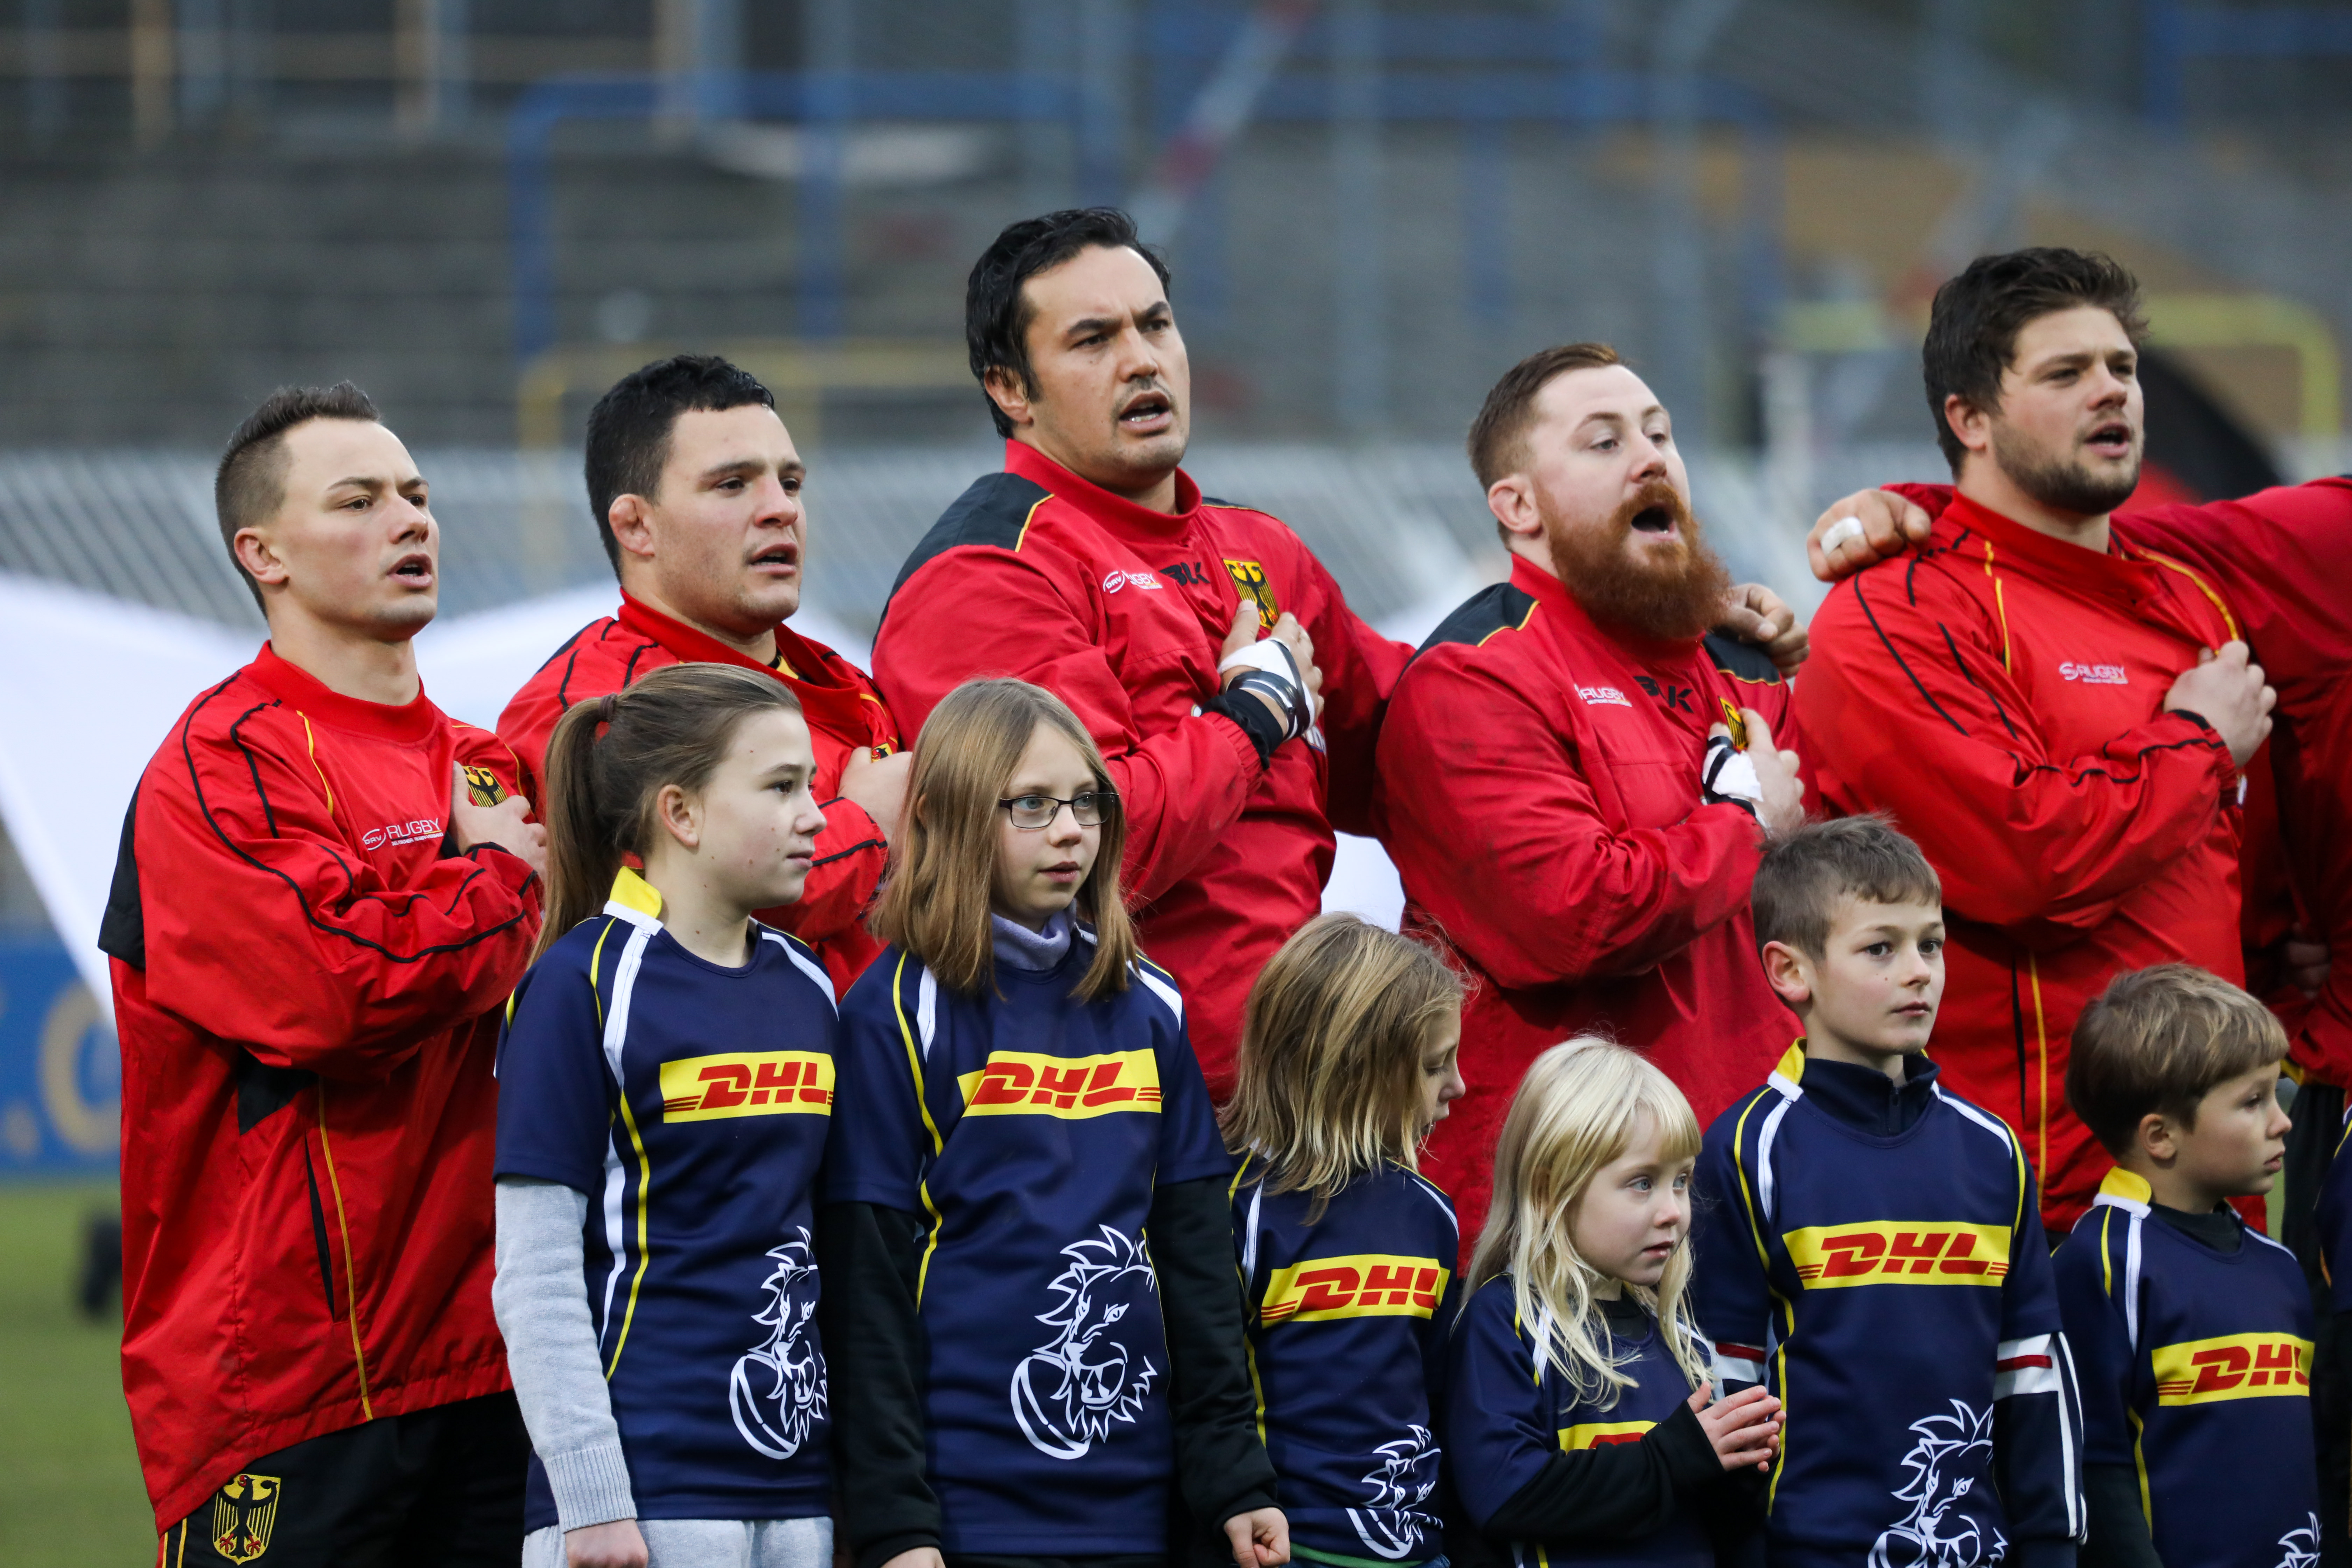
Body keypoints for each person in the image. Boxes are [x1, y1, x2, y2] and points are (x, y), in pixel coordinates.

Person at [869, 209, 1808, 1087]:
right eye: (1093, 340)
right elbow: (1064, 856)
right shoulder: (987, 572)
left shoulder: (1258, 549)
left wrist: (1661, 638)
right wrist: (1246, 723)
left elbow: (1441, 731)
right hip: (1095, 1099)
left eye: (1155, 325)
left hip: (1292, 1088)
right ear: (1010, 388)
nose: (1141, 359)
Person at [100, 383, 549, 1564]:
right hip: (290, 1386)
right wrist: (500, 882)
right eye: (358, 502)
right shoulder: (219, 766)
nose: (410, 521)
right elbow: (342, 994)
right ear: (264, 553)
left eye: (416, 495)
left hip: (494, 1360)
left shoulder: (484, 766)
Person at [1790, 247, 2277, 1231]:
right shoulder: (1897, 613)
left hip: (2216, 1204)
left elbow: (2233, 861)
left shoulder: (2191, 597)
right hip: (2018, 1212)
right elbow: (2027, 858)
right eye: (2066, 373)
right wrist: (2194, 743)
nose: (2112, 392)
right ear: (1970, 419)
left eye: (2122, 368)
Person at [1805, 453, 2352, 1272]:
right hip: (2077, 1184)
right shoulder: (2328, 543)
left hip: (2195, 1159)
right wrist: (1923, 512)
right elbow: (2067, 541)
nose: (2110, 395)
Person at [818, 678, 1284, 1568]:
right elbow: (866, 1288)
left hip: (1141, 1507)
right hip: (966, 1512)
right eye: (1031, 804)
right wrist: (896, 1522)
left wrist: (1234, 1475)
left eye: (1086, 801)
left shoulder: (1150, 1002)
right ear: (947, 815)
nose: (1071, 830)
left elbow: (1196, 1262)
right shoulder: (894, 1012)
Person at [1374, 342, 1807, 1242]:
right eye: (1604, 443)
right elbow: (1572, 916)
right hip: (1555, 1210)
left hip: (1747, 1183)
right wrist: (1742, 821)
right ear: (1518, 505)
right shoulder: (1474, 676)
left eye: (1661, 434)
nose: (1651, 459)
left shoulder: (1744, 667)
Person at [493, 665, 839, 1568]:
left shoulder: (810, 986)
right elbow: (534, 1273)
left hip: (798, 1497)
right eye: (781, 787)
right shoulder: (579, 985)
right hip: (640, 1508)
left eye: (812, 785)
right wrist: (592, 1502)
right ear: (680, 813)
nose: (816, 816)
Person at [1690, 817, 2085, 1567]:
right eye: (1882, 948)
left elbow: (2032, 1372)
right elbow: (1727, 1378)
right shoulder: (1748, 1148)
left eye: (1931, 944)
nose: (1919, 972)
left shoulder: (1993, 1150)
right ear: (1790, 971)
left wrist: (2052, 1546)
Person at [499, 355, 909, 997]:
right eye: (733, 485)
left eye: (790, 483)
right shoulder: (593, 706)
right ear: (637, 526)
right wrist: (867, 826)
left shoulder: (847, 680)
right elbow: (670, 927)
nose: (780, 509)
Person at [1444, 1039, 1779, 1567]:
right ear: (1551, 1189)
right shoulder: (1508, 1321)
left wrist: (1737, 1480)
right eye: (1643, 1183)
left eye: (1682, 1181)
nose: (1673, 1211)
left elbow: (1707, 1526)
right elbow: (1504, 1493)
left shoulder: (1682, 1336)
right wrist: (1674, 1460)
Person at [1220, 913, 1466, 1568]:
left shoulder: (1431, 1215)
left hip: (1419, 1552)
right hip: (1283, 1549)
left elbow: (1438, 1396)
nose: (1458, 1087)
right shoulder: (1236, 1209)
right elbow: (1208, 1403)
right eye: (1434, 1066)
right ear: (1356, 1069)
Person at [2053, 966, 2316, 1568]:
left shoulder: (2279, 1267)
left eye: (2275, 1092)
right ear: (2161, 1136)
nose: (2283, 1121)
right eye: (2253, 1101)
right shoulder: (2103, 1264)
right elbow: (2094, 1462)